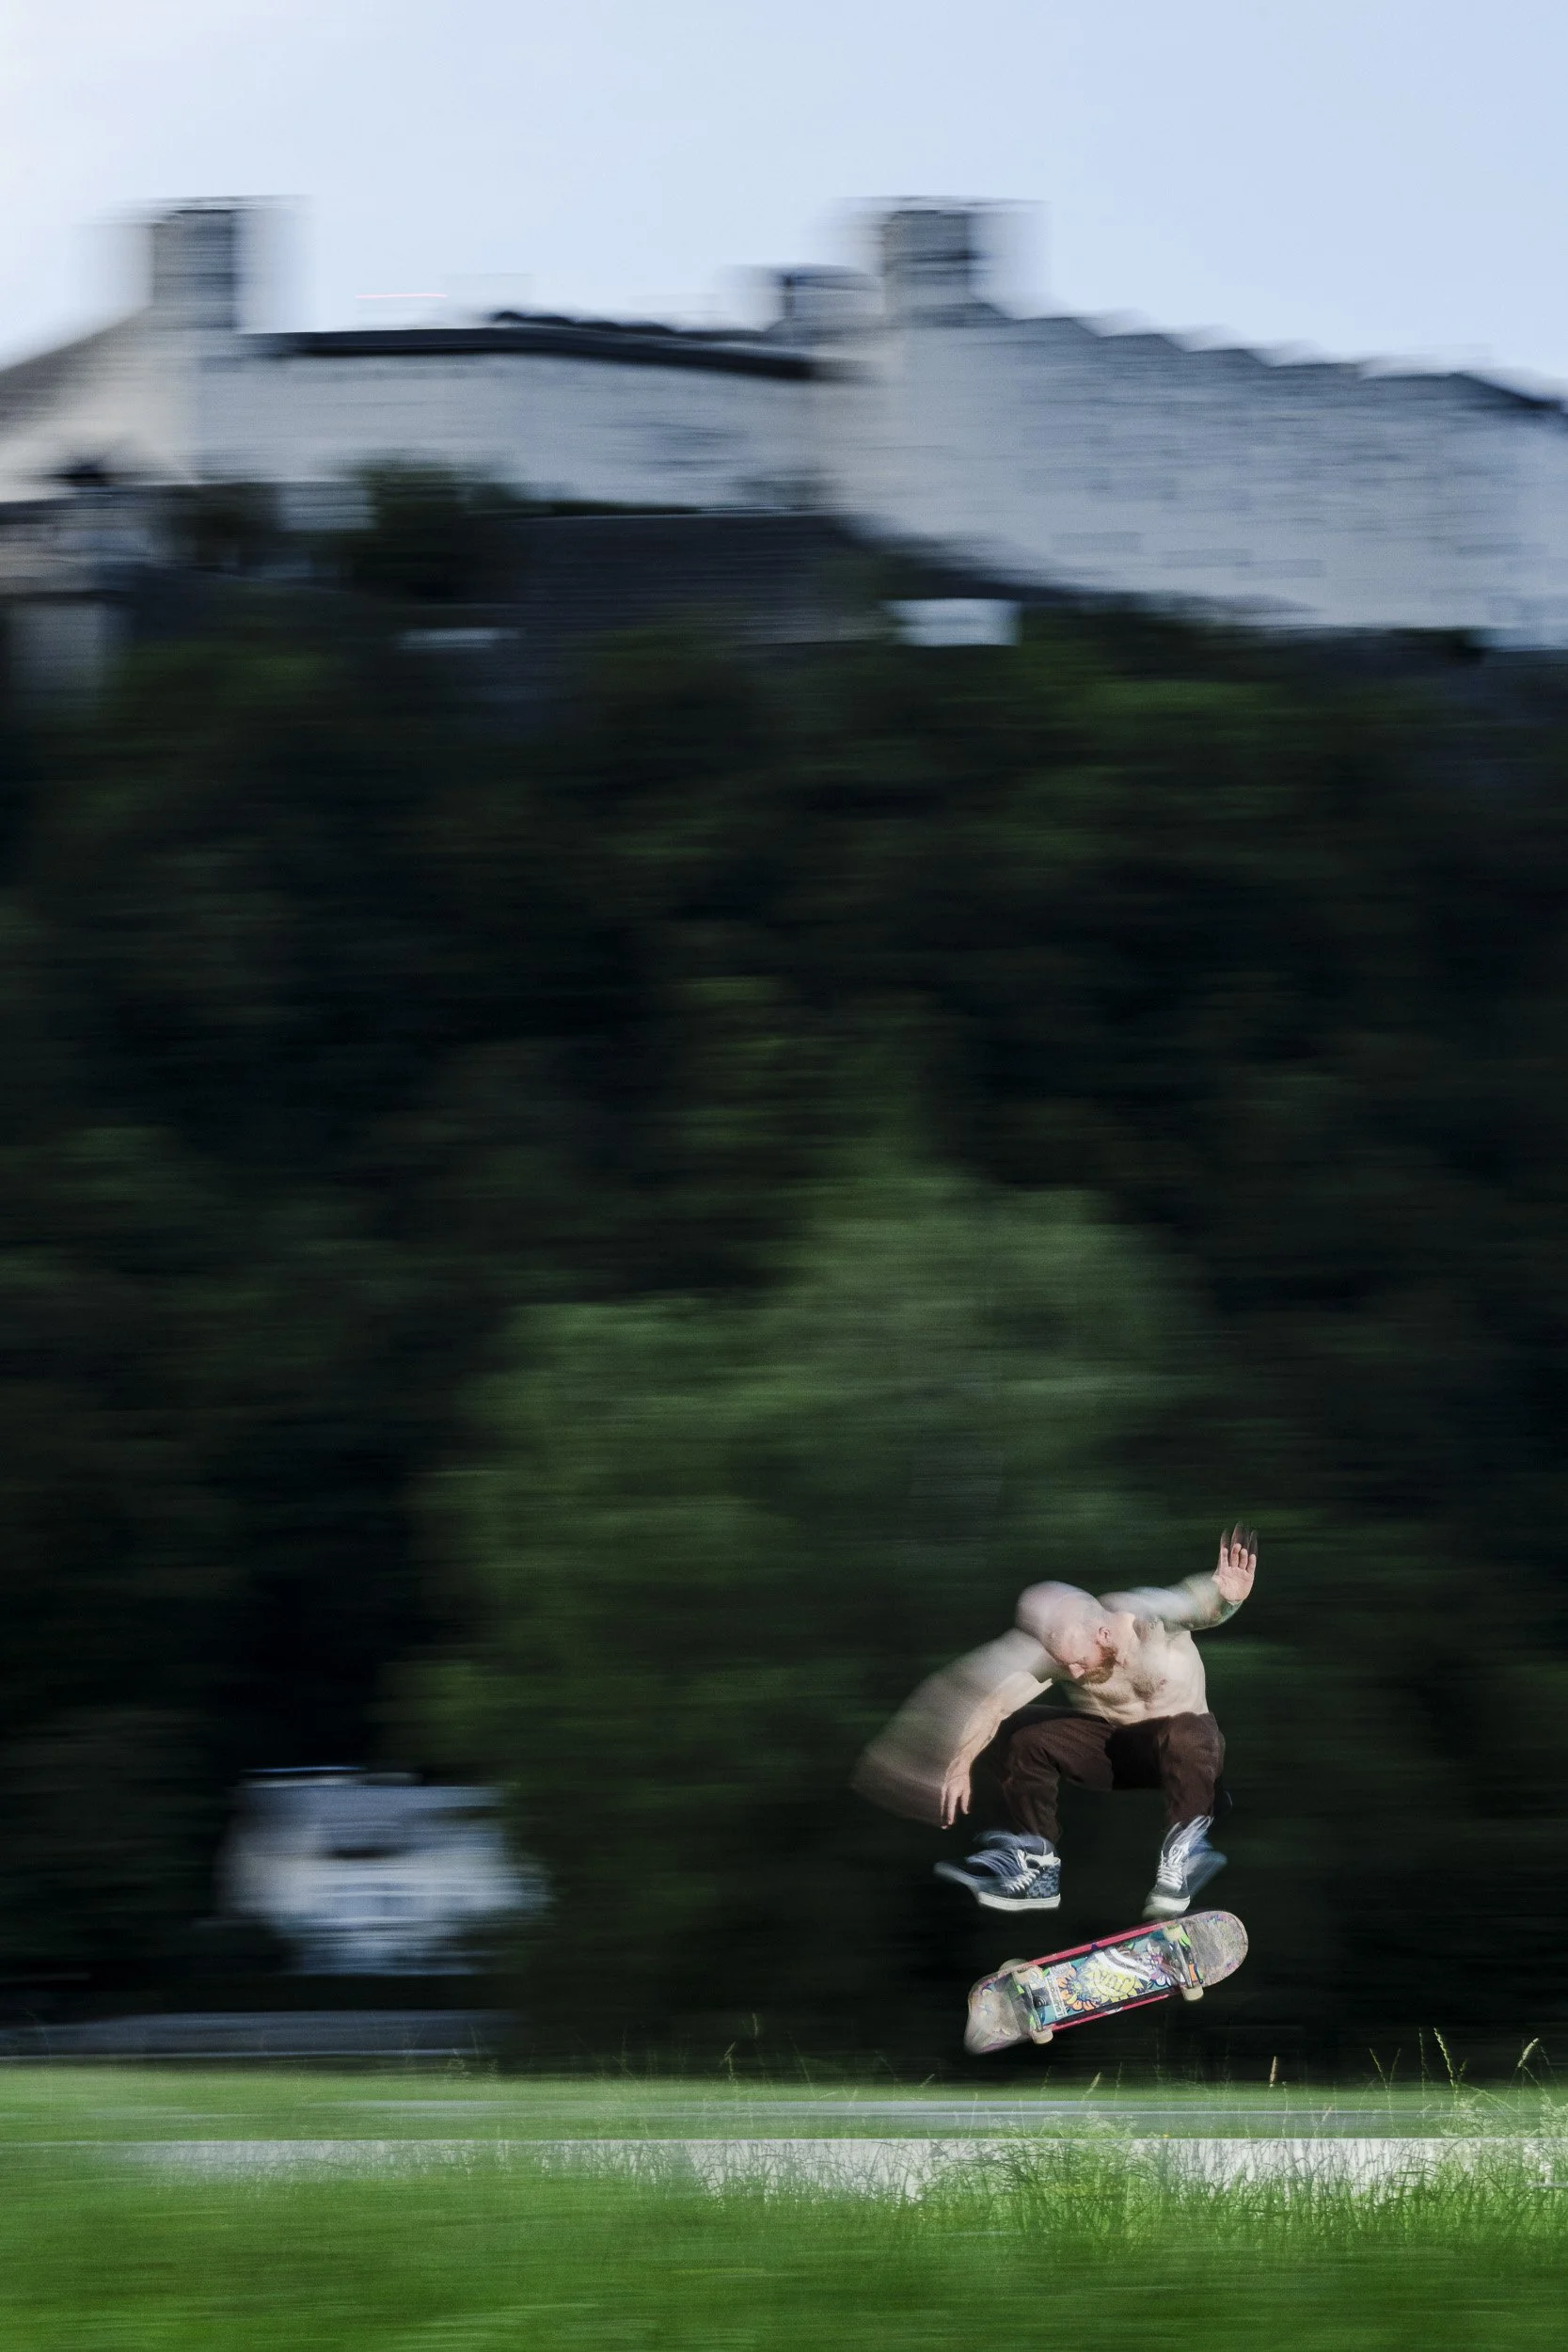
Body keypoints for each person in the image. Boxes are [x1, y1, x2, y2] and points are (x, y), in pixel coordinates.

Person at [854, 1526, 1256, 1922]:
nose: (1074, 1674)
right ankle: (1036, 1864)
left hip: (1188, 1758)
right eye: (1066, 1666)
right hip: (1118, 1753)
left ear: (1103, 1633)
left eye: (1079, 1662)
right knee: (1021, 1732)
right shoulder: (1063, 1654)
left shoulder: (1147, 1618)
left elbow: (1195, 1606)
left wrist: (1227, 1599)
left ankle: (1183, 1853)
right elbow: (993, 1704)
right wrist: (959, 1764)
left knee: (1188, 1729)